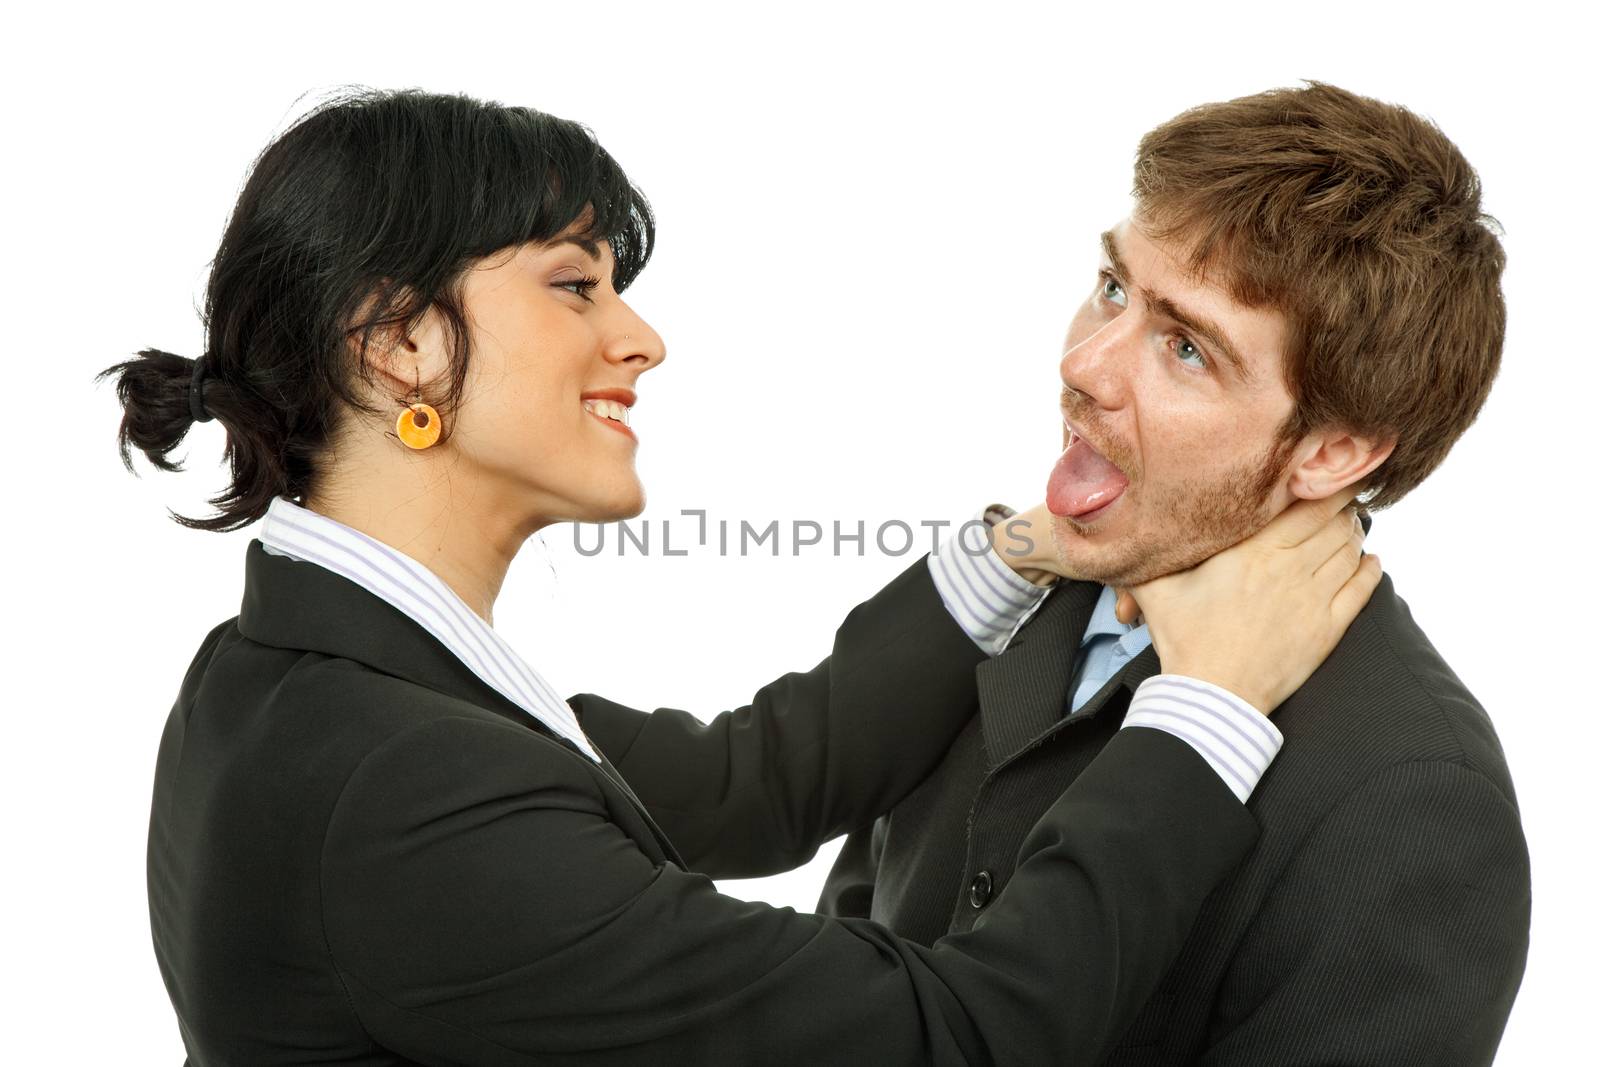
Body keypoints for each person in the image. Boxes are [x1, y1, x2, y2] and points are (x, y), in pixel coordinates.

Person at [100, 88, 1378, 1065]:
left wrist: (1008, 552)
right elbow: (970, 1032)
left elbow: (745, 782)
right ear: (402, 347)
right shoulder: (407, 792)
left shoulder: (297, 681)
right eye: (573, 284)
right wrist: (1205, 708)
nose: (639, 337)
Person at [814, 81, 1532, 1065]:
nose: (1085, 367)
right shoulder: (1020, 596)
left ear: (1331, 452)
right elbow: (856, 947)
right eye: (1113, 288)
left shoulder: (1410, 800)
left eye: (1184, 347)